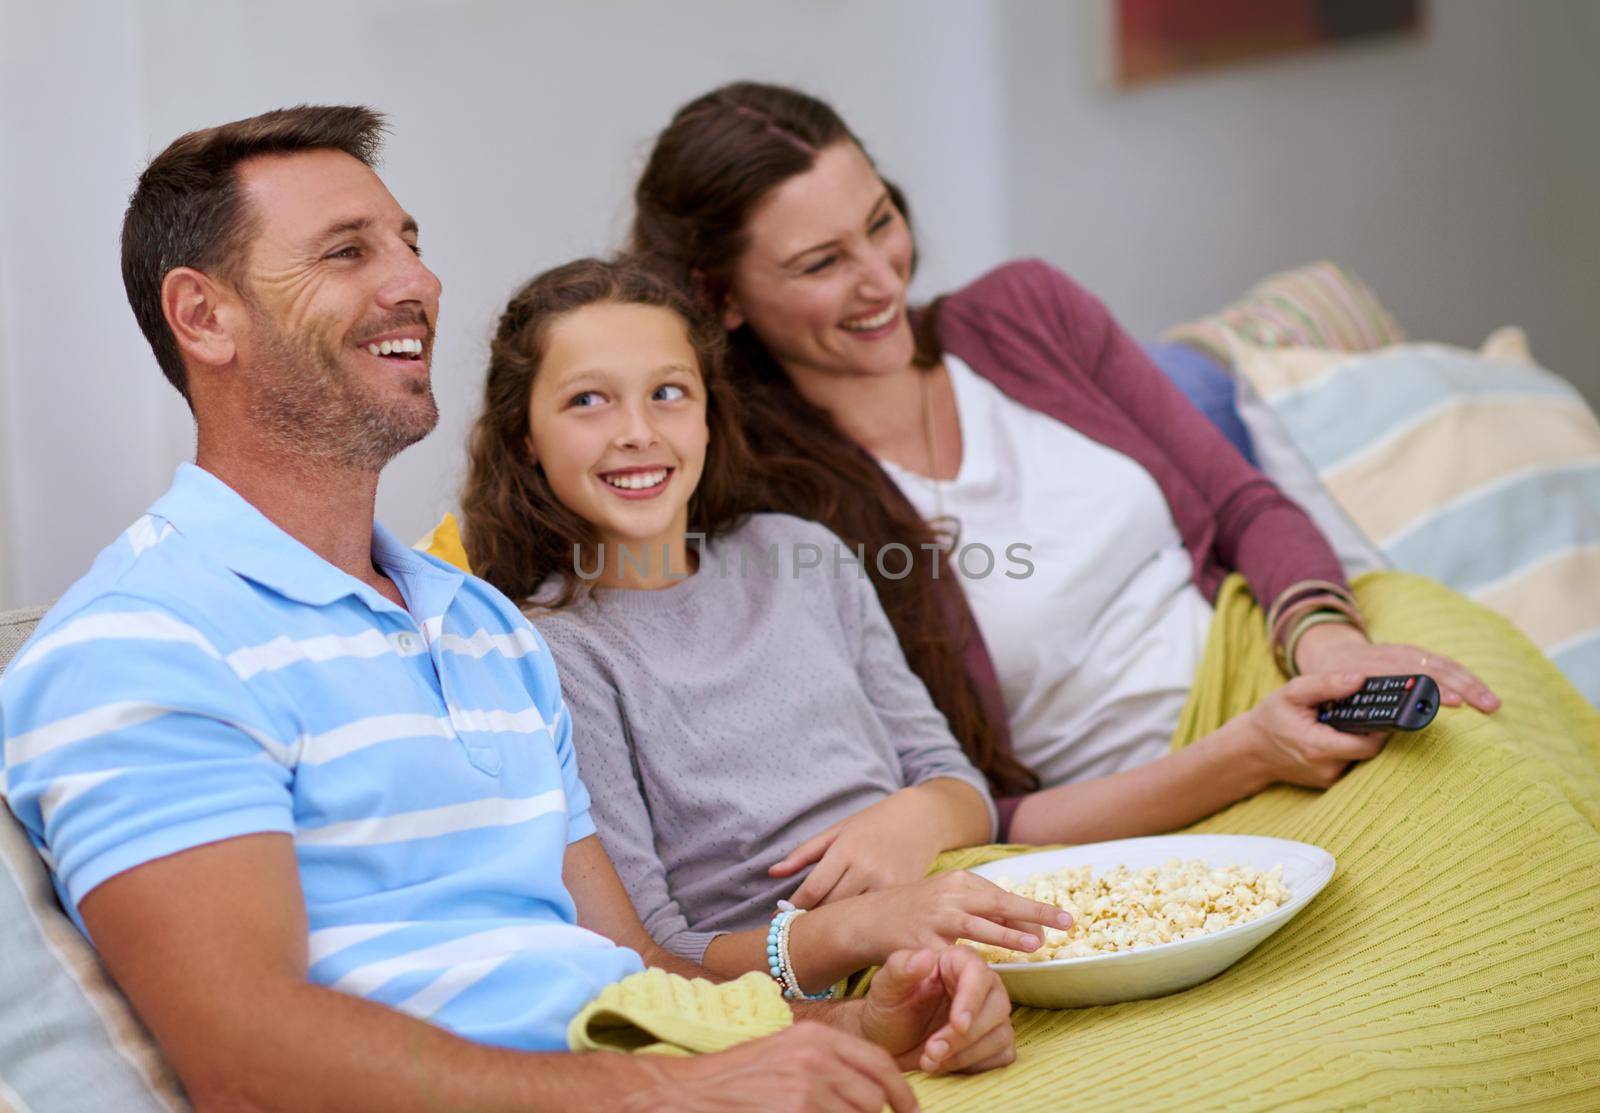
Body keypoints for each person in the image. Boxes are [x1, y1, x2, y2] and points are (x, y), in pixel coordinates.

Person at [0, 105, 1017, 1113]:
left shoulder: (481, 626)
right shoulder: (138, 644)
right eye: (348, 252)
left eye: (409, 243)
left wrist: (858, 1027)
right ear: (202, 316)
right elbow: (245, 1055)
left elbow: (637, 965)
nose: (417, 282)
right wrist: (662, 1092)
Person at [627, 81, 1502, 852]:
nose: (881, 279)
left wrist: (1334, 650)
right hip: (1166, 807)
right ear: (719, 297)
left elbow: (1243, 505)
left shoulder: (1026, 312)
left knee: (1497, 750)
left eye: (880, 222)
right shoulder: (775, 514)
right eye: (822, 263)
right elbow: (982, 814)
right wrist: (1247, 754)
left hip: (1292, 656)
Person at [457, 255, 1076, 989]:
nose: (637, 431)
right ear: (525, 435)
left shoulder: (798, 552)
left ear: (709, 412)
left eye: (668, 392)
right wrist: (857, 927)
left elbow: (958, 782)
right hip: (824, 986)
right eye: (589, 400)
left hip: (972, 908)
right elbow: (661, 952)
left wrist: (914, 819)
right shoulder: (557, 653)